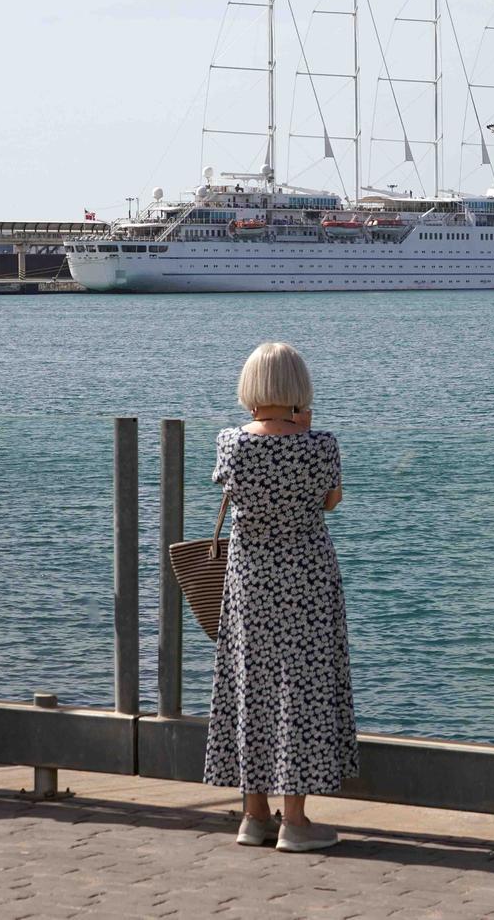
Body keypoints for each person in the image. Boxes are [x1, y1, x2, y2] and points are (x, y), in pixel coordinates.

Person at [203, 341, 358, 853]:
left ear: (252, 388)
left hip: (250, 578)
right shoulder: (321, 444)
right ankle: (295, 821)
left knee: (253, 682)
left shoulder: (231, 443)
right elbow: (330, 503)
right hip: (308, 577)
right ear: (297, 389)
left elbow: (232, 492)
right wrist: (305, 430)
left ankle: (254, 816)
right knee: (303, 687)